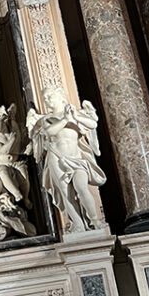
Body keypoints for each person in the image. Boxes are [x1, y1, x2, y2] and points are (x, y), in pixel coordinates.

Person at [27, 88, 105, 232]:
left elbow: (92, 124)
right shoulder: (46, 119)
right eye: (45, 98)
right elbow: (49, 132)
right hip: (56, 157)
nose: (47, 100)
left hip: (75, 157)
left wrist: (75, 117)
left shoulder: (76, 114)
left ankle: (95, 220)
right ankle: (78, 224)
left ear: (61, 98)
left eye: (51, 96)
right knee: (65, 192)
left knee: (81, 187)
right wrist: (65, 120)